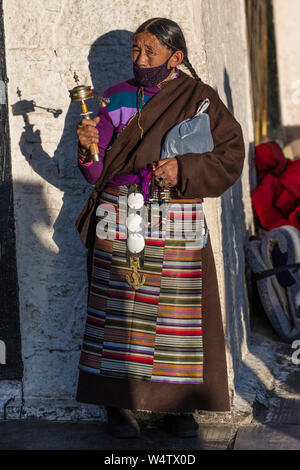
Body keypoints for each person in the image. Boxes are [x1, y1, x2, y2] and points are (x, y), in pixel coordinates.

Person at [75, 18, 245, 438]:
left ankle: (178, 408)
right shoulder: (113, 98)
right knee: (120, 314)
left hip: (177, 216)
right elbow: (96, 172)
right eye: (136, 50)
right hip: (119, 213)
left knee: (177, 316)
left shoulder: (200, 99)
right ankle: (118, 406)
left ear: (177, 57)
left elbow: (230, 154)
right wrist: (86, 146)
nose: (141, 60)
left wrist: (183, 167)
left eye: (151, 51)